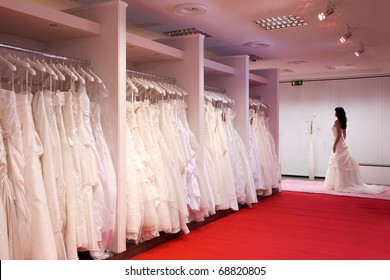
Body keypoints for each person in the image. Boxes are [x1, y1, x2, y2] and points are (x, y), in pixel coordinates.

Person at [324, 107, 384, 194]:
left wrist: (334, 145)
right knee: (340, 164)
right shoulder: (343, 121)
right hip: (342, 143)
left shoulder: (337, 122)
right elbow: (344, 134)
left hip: (338, 143)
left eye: (335, 111)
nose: (334, 113)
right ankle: (343, 183)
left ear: (337, 113)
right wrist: (343, 142)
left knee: (338, 164)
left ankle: (339, 184)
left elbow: (338, 135)